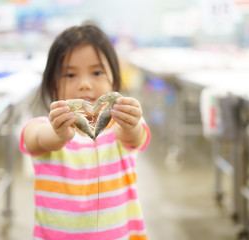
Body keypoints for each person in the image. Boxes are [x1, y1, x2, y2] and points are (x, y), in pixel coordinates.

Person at [19, 23, 151, 240]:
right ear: (53, 86)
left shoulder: (120, 126)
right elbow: (36, 139)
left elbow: (134, 137)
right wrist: (58, 135)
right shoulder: (43, 126)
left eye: (97, 72)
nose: (84, 84)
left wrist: (131, 123)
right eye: (70, 75)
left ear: (114, 82)